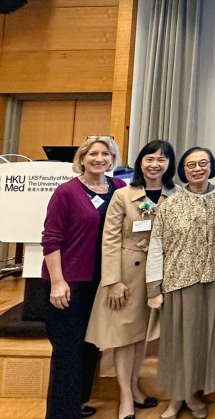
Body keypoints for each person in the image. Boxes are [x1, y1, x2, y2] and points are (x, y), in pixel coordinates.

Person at [86, 140, 176, 419]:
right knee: (124, 336)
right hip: (127, 274)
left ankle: (135, 387)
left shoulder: (176, 195)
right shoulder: (123, 195)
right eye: (149, 159)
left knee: (142, 335)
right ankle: (125, 395)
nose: (155, 164)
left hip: (160, 274)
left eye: (161, 159)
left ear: (169, 164)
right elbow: (110, 239)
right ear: (140, 163)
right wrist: (113, 281)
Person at [41, 135, 126, 419]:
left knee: (90, 345)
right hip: (69, 281)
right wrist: (58, 282)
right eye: (93, 153)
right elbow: (51, 239)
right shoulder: (66, 192)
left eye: (106, 154)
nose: (99, 159)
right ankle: (60, 413)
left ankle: (77, 403)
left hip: (102, 281)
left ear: (112, 160)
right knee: (68, 350)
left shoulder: (119, 188)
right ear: (82, 158)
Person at [146, 147, 215, 419]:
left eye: (203, 163)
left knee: (204, 343)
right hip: (178, 281)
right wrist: (153, 288)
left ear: (211, 166)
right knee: (178, 343)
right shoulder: (170, 204)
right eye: (191, 165)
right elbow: (156, 246)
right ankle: (176, 397)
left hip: (214, 281)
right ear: (183, 170)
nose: (197, 169)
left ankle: (194, 394)